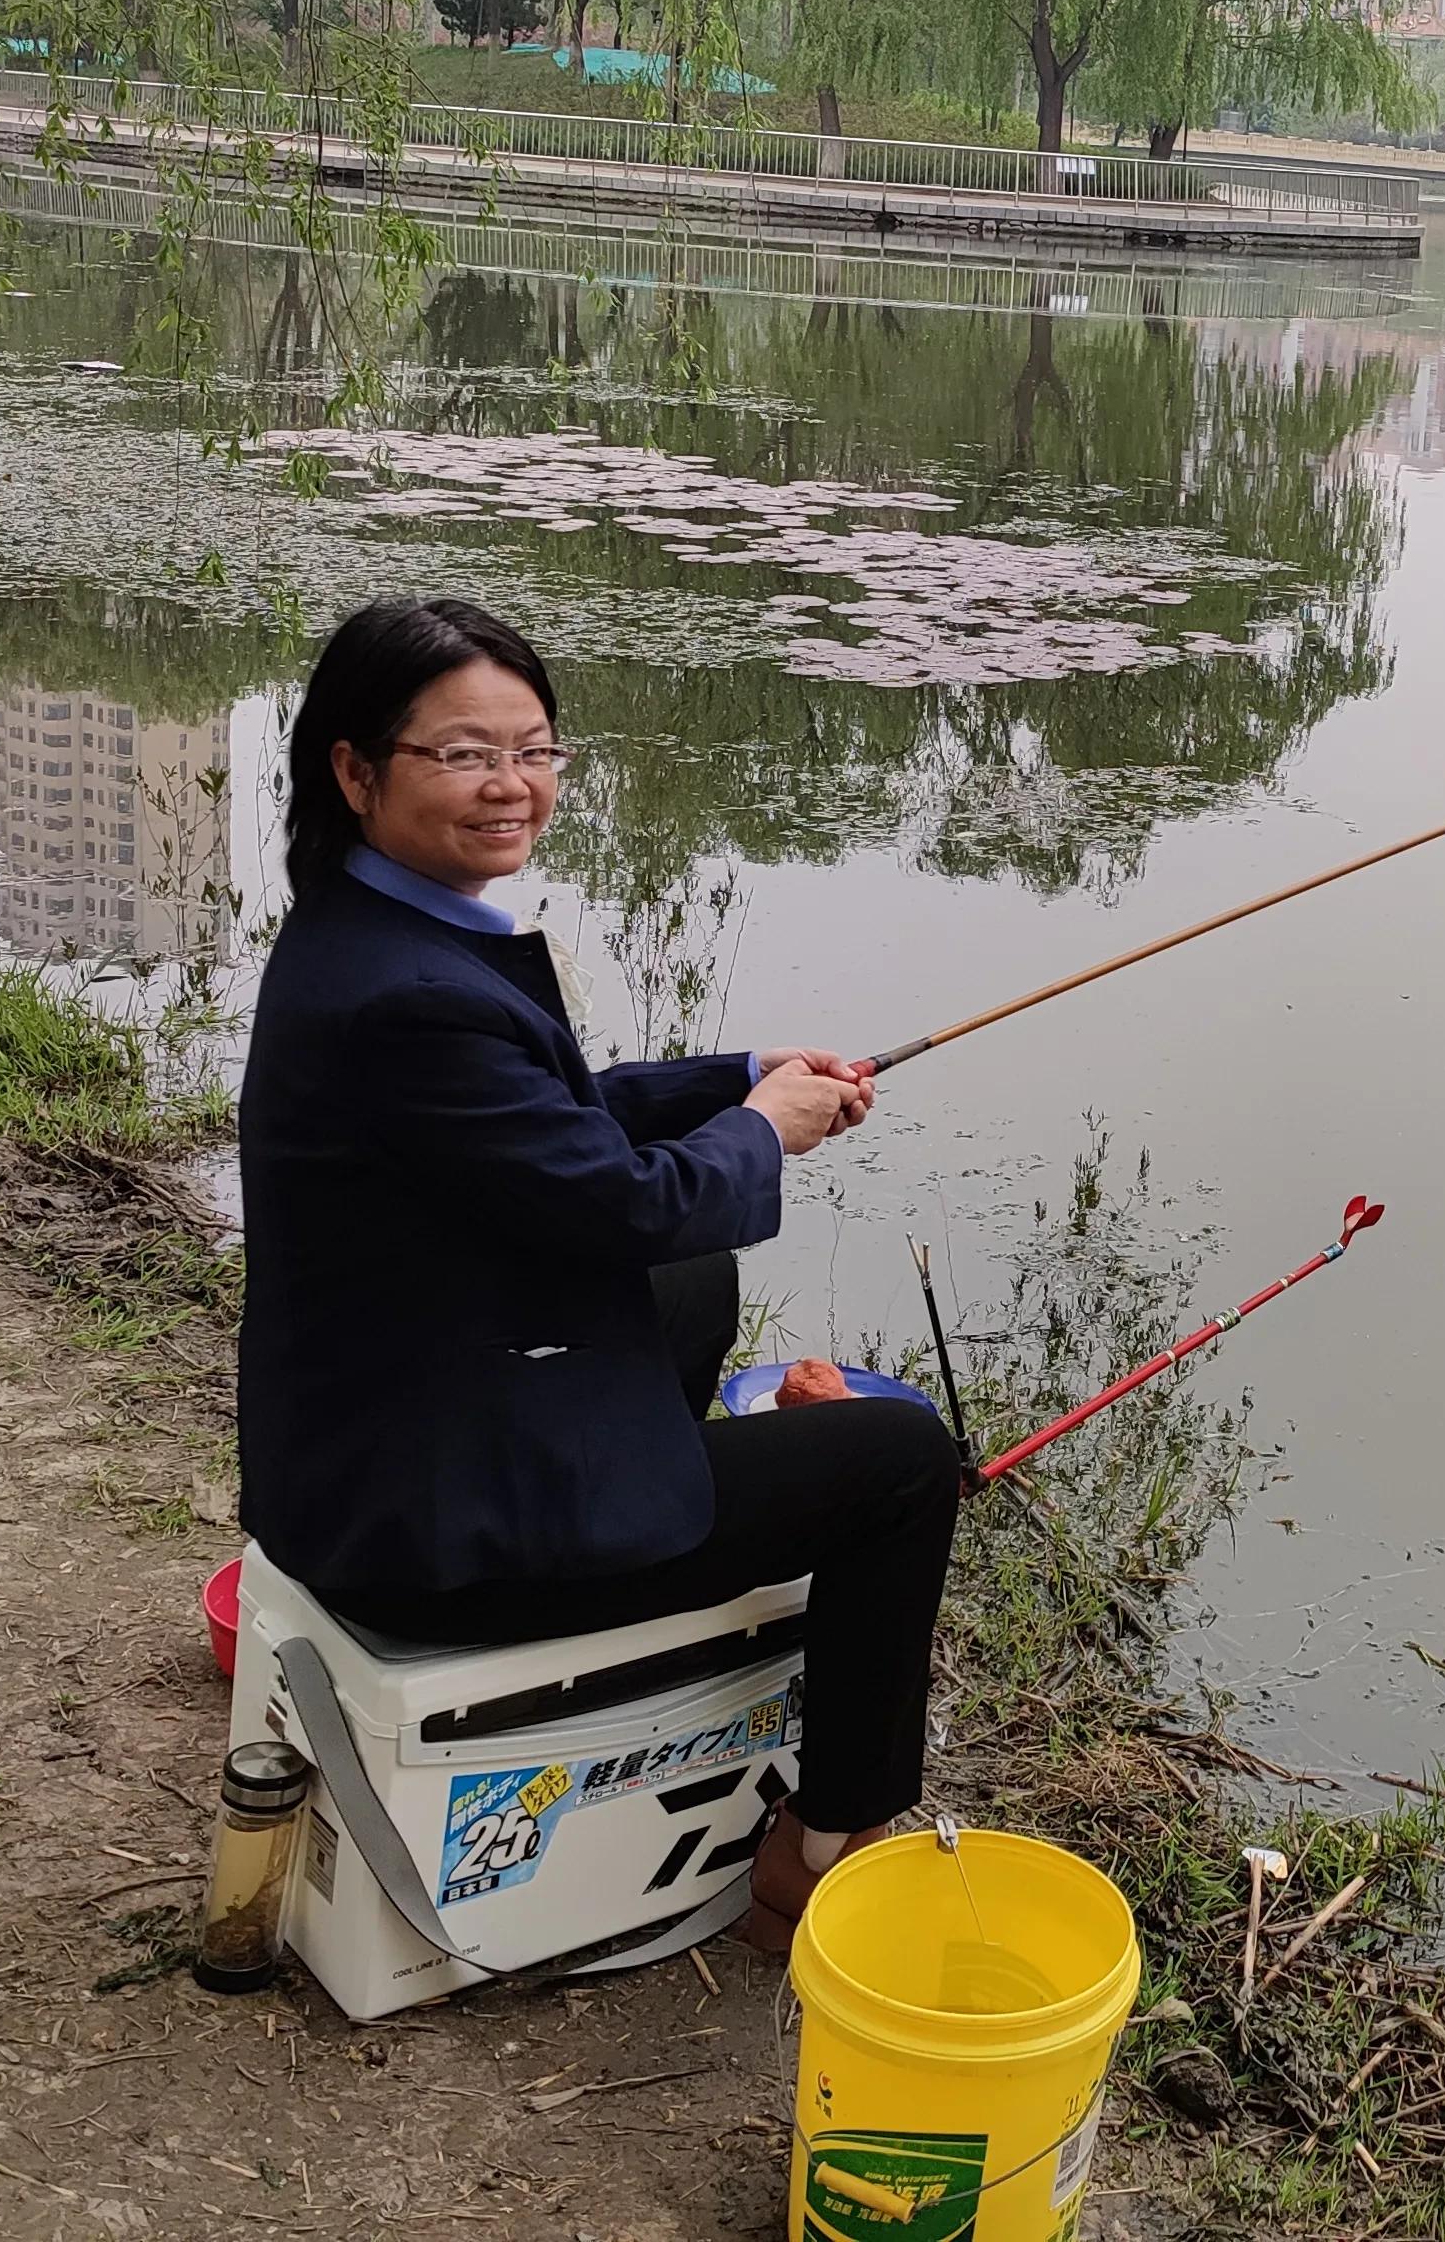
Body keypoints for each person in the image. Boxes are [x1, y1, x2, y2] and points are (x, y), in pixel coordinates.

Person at [237, 597, 953, 1950]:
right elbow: (621, 1201)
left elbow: (554, 1120)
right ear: (354, 769)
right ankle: (824, 1849)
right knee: (902, 1464)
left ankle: (656, 1502)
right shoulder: (407, 995)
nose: (512, 786)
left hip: (384, 1425)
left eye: (536, 748)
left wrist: (738, 1081)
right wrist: (762, 1134)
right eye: (462, 754)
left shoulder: (369, 931)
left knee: (691, 1291)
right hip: (421, 1535)